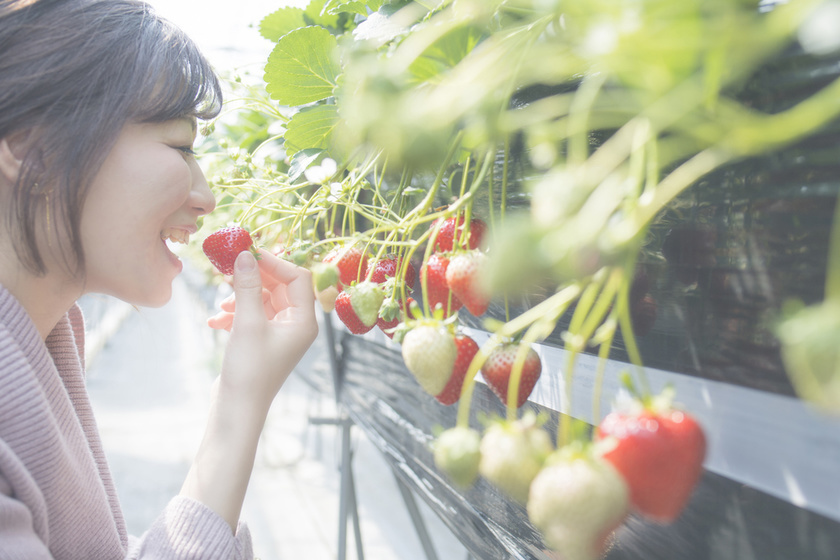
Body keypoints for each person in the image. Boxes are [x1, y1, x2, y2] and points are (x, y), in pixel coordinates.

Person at [0, 0, 318, 558]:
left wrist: (240, 397)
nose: (207, 198)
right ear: (34, 150)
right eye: (179, 148)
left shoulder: (45, 339)